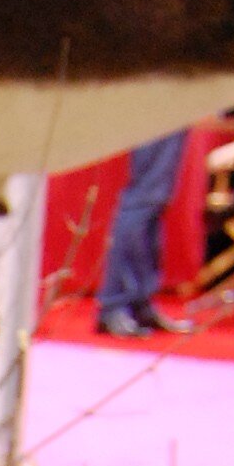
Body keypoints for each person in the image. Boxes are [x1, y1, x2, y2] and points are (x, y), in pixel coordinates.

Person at [96, 126, 194, 338]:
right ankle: (116, 302)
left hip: (170, 103)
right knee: (145, 198)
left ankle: (137, 301)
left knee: (153, 202)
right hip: (162, 102)